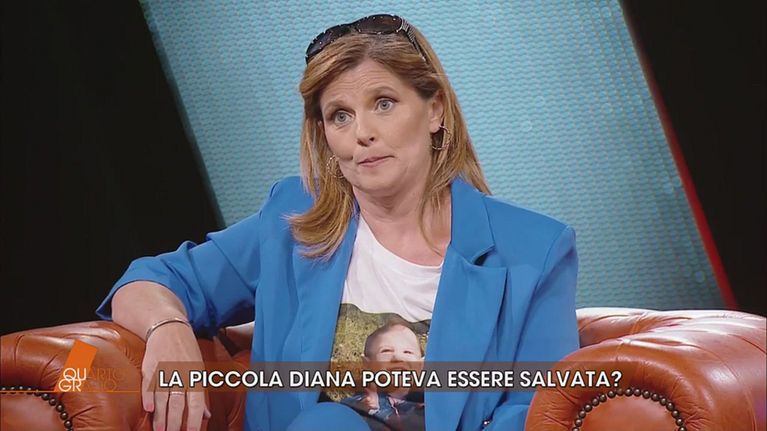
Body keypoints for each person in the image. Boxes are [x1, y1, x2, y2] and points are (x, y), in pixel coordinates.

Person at [97, 14, 579, 431]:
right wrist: (167, 328)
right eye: (340, 116)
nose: (362, 133)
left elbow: (541, 410)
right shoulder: (293, 220)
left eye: (384, 103)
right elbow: (148, 281)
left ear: (434, 110)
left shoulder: (534, 248)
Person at [341, 322, 425, 431]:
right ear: (367, 364)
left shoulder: (434, 403)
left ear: (420, 365)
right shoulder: (359, 405)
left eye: (408, 352)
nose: (398, 357)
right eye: (386, 351)